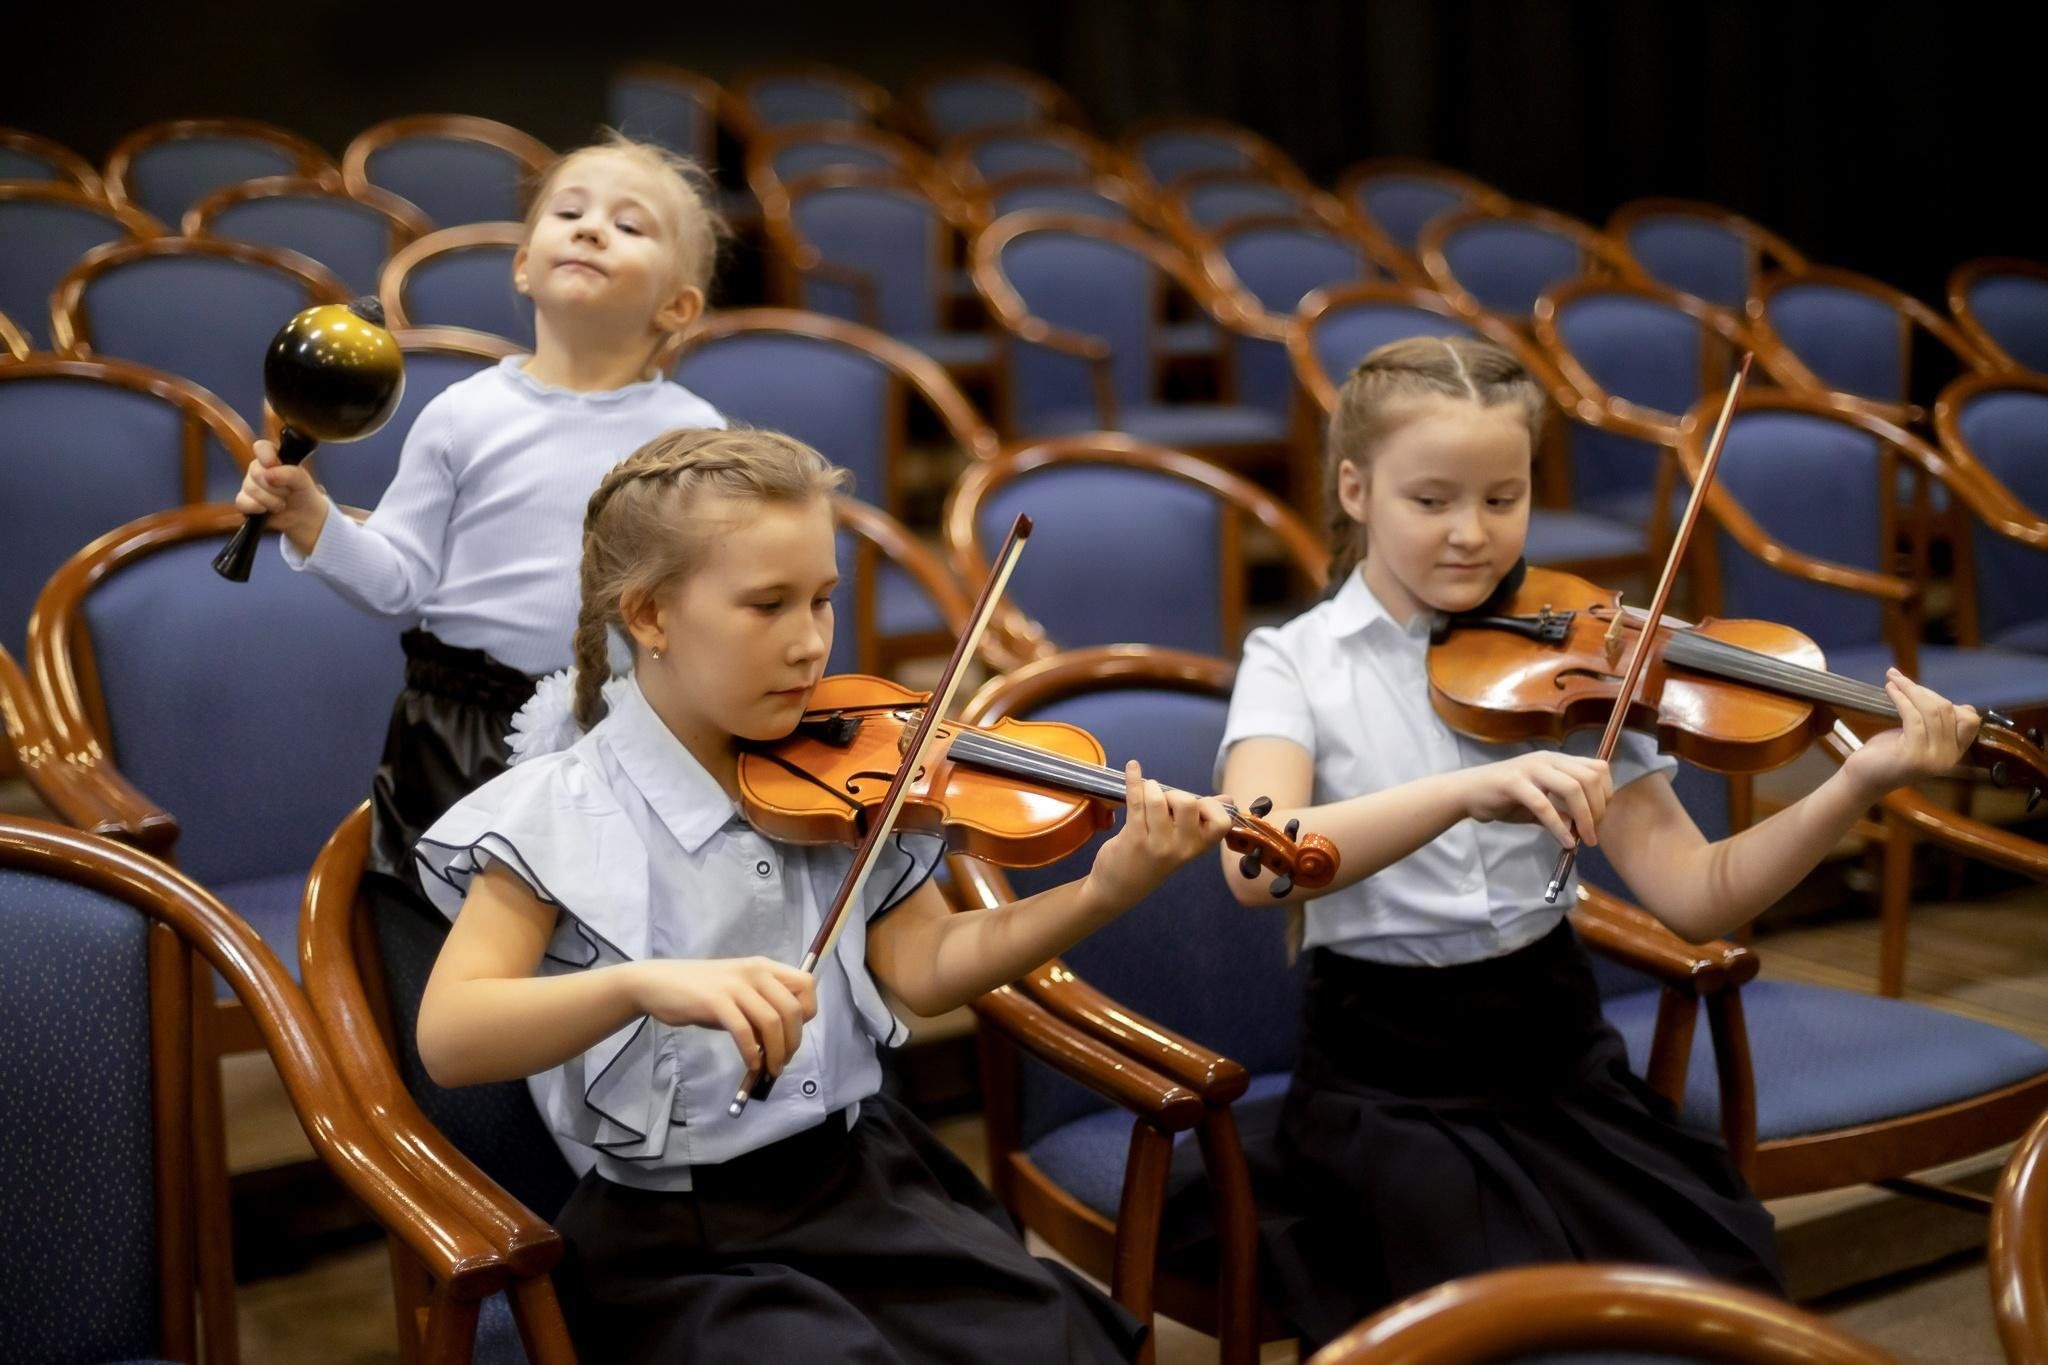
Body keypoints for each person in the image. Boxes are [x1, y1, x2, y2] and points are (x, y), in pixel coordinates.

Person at [1215, 335, 1980, 1349]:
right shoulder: (1292, 662)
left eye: (1502, 498)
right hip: (1390, 1089)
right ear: (1354, 489)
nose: (1470, 535)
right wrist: (1460, 792)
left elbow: (1699, 894)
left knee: (1724, 1299)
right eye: (1430, 499)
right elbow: (1253, 861)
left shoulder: (1574, 651)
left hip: (1558, 1059)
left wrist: (1857, 783)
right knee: (1501, 1336)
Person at [413, 428, 1237, 1361]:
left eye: (823, 601)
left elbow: (927, 970)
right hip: (685, 1243)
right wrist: (643, 985)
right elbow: (451, 1036)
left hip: (865, 1180)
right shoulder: (559, 811)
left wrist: (1102, 889)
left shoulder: (841, 776)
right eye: (768, 605)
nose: (810, 644)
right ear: (648, 614)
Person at [232, 133, 727, 896]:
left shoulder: (697, 437)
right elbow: (397, 582)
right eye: (570, 212)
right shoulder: (464, 413)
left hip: (628, 731)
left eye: (630, 226)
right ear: (524, 266)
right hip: (459, 731)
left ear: (679, 306)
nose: (593, 228)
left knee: (612, 937)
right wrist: (312, 519)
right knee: (448, 938)